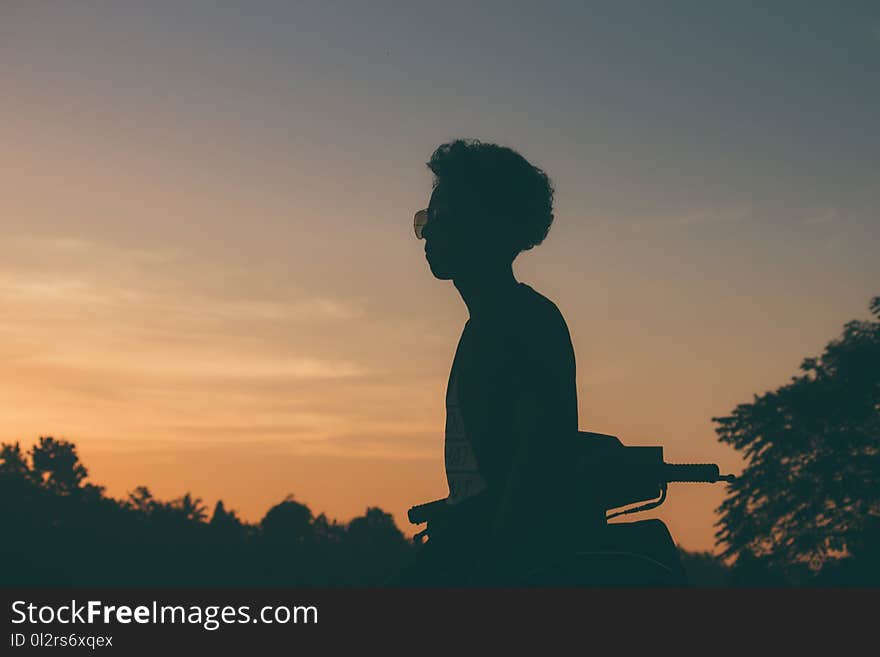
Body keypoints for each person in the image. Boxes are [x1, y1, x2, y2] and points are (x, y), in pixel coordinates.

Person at [402, 139, 581, 585]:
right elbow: (492, 474)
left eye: (440, 218)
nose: (427, 233)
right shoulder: (486, 325)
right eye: (426, 220)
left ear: (487, 225)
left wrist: (490, 574)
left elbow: (538, 464)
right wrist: (455, 508)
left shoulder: (525, 324)